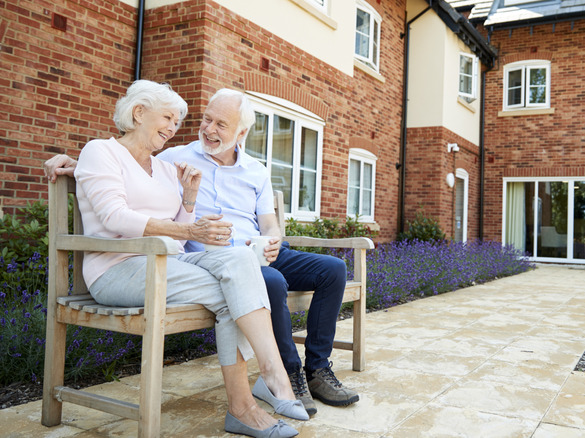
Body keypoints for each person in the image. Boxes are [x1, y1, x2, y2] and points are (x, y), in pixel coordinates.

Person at [45, 89, 359, 416]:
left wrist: (273, 237)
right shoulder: (175, 157)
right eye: (206, 119)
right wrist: (78, 164)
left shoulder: (252, 170)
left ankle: (316, 370)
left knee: (333, 269)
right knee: (269, 282)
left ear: (241, 133)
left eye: (221, 124)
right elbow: (124, 166)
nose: (209, 129)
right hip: (205, 258)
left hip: (253, 251)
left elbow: (267, 221)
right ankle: (286, 375)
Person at [70, 80, 305, 438]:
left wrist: (189, 201)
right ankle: (252, 398)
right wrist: (190, 231)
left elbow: (177, 231)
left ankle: (268, 378)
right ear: (138, 113)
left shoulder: (165, 168)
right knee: (234, 291)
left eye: (178, 122)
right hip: (117, 269)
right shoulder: (101, 152)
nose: (173, 128)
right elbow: (113, 217)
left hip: (168, 264)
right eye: (167, 117)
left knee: (241, 262)